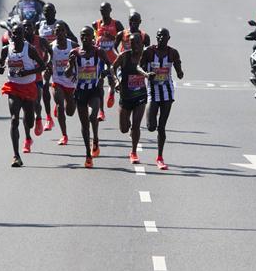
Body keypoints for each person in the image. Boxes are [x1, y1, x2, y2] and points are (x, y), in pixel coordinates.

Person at [0, 22, 47, 167]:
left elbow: (42, 66)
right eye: (14, 33)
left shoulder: (30, 49)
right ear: (11, 35)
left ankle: (31, 126)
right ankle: (16, 156)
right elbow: (0, 63)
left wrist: (27, 72)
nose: (16, 36)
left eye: (19, 33)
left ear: (23, 35)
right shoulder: (6, 49)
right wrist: (0, 68)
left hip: (28, 87)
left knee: (29, 122)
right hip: (13, 87)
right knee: (14, 120)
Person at [66, 27, 116, 168]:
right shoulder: (74, 53)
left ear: (92, 37)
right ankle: (88, 154)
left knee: (92, 116)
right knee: (84, 124)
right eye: (83, 35)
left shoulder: (98, 51)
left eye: (88, 35)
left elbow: (110, 65)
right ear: (80, 37)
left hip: (94, 90)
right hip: (80, 91)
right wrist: (70, 65)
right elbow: (67, 74)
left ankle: (96, 139)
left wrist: (107, 72)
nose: (85, 38)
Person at [143, 28, 184, 170]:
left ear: (169, 38)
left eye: (164, 36)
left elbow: (179, 71)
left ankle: (160, 157)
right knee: (151, 127)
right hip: (152, 91)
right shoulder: (148, 52)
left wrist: (180, 72)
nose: (161, 38)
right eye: (159, 35)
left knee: (161, 127)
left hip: (167, 92)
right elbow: (140, 67)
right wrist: (147, 73)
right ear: (156, 37)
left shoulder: (173, 53)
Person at [110, 33, 154, 163]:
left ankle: (134, 152)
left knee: (136, 126)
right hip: (126, 97)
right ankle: (126, 122)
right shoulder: (124, 56)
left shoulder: (145, 56)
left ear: (142, 43)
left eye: (137, 43)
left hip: (140, 96)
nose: (134, 45)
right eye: (131, 43)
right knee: (124, 129)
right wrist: (116, 80)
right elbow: (113, 67)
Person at [93, 2, 124, 121]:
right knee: (99, 83)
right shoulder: (96, 24)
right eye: (101, 10)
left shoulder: (116, 24)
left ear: (110, 10)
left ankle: (111, 93)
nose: (103, 12)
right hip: (100, 59)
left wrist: (112, 38)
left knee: (112, 81)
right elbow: (94, 38)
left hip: (113, 58)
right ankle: (101, 112)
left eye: (105, 9)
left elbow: (123, 37)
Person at [49, 20, 78, 146]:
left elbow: (80, 64)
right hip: (58, 81)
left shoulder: (73, 45)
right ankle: (64, 135)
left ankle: (66, 102)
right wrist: (47, 69)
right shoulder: (52, 47)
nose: (59, 33)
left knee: (70, 112)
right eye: (57, 30)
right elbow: (48, 62)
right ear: (54, 32)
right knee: (60, 105)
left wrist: (77, 74)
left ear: (65, 32)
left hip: (71, 83)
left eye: (62, 30)